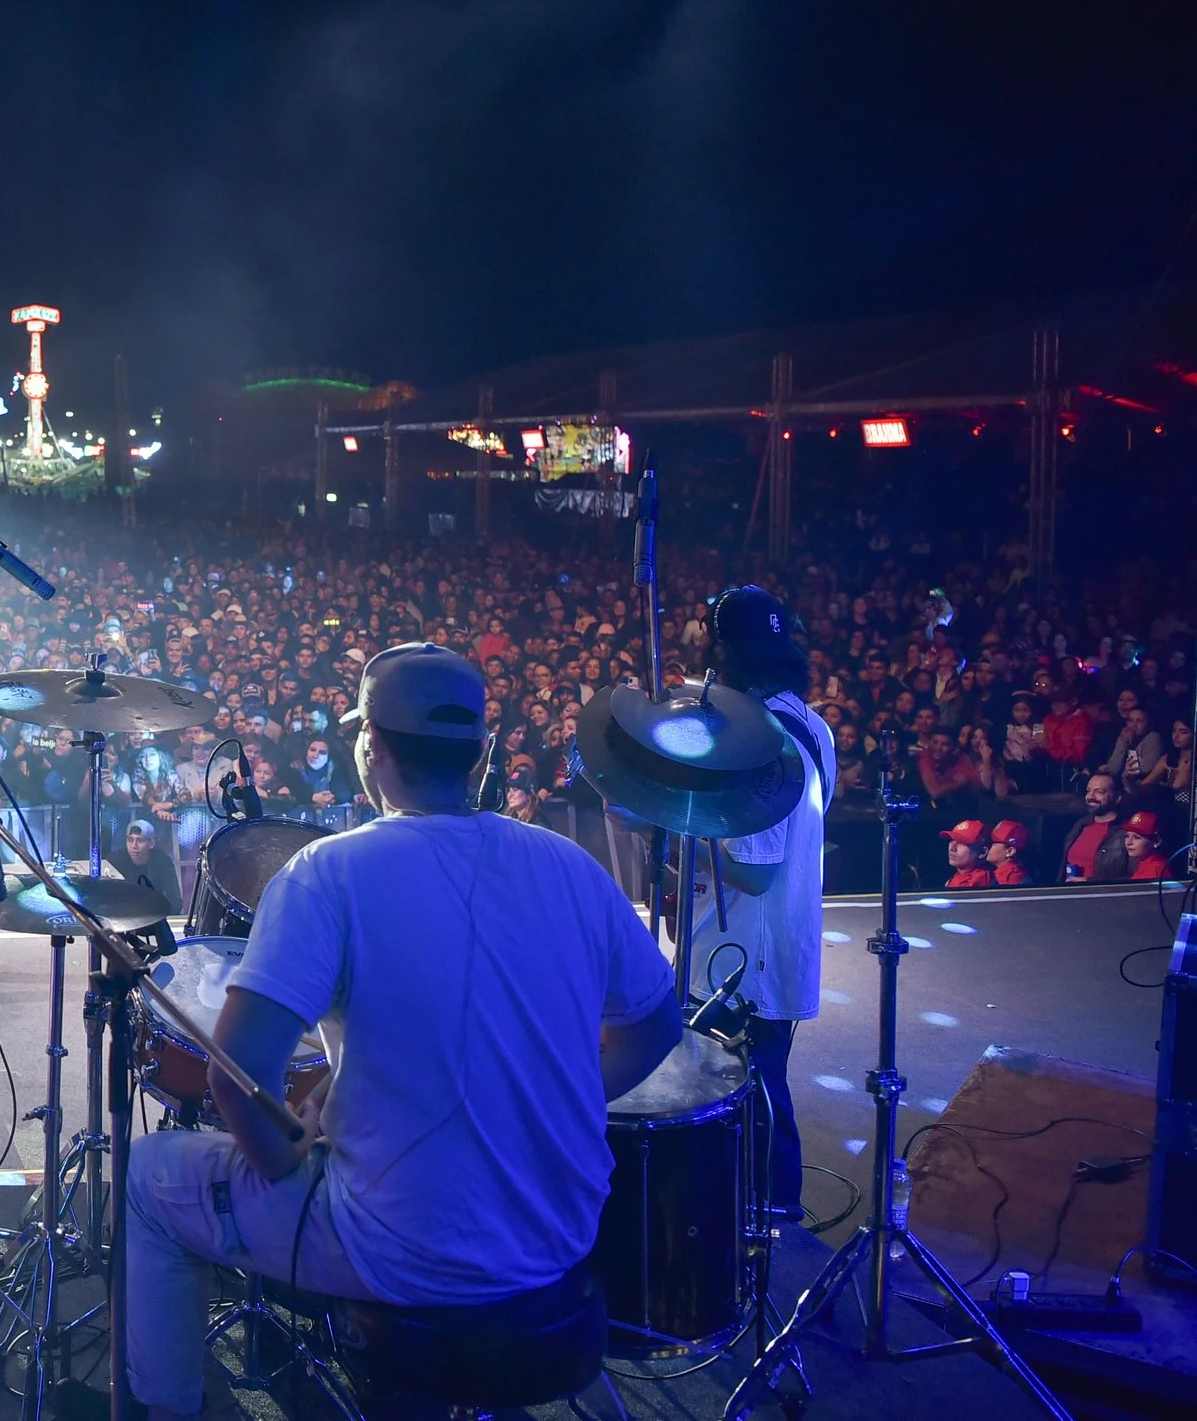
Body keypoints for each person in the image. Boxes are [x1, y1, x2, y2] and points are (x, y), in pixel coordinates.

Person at [123, 644, 681, 1421]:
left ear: (369, 749)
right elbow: (658, 1025)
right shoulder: (573, 866)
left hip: (398, 1250)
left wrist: (287, 1151)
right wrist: (567, 1095)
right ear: (481, 753)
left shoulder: (328, 871)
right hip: (559, 1239)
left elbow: (233, 1074)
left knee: (149, 1174)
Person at [690, 584, 835, 1223]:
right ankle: (772, 1216)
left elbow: (755, 873)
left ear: (726, 655)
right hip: (771, 940)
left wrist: (675, 829)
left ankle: (776, 1220)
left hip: (747, 952)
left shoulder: (759, 737)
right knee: (760, 1080)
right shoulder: (813, 723)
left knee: (750, 1087)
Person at [1062, 772, 1130, 883]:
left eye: (1099, 792)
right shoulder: (1081, 825)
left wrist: (1089, 881)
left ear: (1117, 797)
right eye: (1088, 791)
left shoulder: (1126, 832)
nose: (1091, 797)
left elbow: (1135, 877)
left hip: (1101, 896)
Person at [121, 817, 184, 914]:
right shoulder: (116, 860)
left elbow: (175, 902)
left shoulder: (162, 861)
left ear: (151, 843)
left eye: (140, 840)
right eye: (130, 840)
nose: (134, 846)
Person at [942, 818, 993, 890]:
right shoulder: (958, 876)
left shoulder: (979, 879)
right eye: (952, 840)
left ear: (983, 852)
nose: (952, 848)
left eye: (962, 843)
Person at [1123, 811, 1173, 880]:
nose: (1128, 842)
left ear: (1156, 841)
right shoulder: (1143, 863)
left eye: (1137, 837)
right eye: (1127, 836)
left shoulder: (1155, 868)